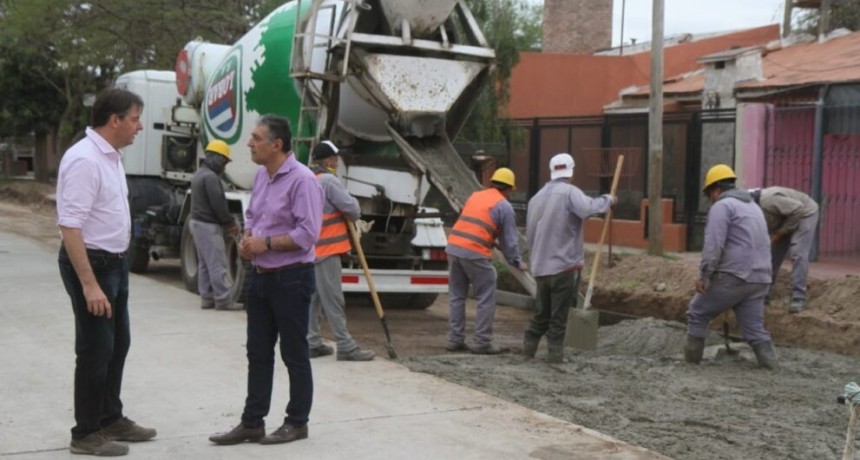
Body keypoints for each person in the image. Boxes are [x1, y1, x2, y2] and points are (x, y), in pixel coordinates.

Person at [209, 115, 323, 446]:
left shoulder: (303, 180)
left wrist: (267, 244)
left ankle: (297, 422)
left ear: (277, 144)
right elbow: (254, 216)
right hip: (260, 276)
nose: (249, 143)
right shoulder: (262, 175)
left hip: (292, 277)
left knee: (294, 353)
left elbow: (307, 234)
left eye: (256, 138)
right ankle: (252, 422)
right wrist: (248, 239)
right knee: (258, 352)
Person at [57, 87, 157, 456]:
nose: (139, 126)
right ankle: (84, 433)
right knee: (96, 350)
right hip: (93, 266)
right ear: (114, 120)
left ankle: (110, 417)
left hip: (114, 263)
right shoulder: (84, 159)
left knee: (117, 345)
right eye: (134, 119)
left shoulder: (110, 156)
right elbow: (70, 226)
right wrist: (89, 285)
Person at [523, 153, 614, 364]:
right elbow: (589, 208)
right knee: (559, 318)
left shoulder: (536, 198)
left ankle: (528, 350)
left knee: (541, 314)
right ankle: (555, 356)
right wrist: (608, 200)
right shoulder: (569, 193)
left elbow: (530, 234)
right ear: (571, 172)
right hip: (563, 267)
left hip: (541, 269)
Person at [685, 164, 778, 369]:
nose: (710, 199)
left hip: (735, 275)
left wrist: (704, 275)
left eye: (709, 195)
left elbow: (713, 245)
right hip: (760, 278)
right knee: (754, 329)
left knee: (697, 312)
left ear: (715, 190)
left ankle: (690, 364)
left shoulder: (722, 206)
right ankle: (771, 365)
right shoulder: (754, 207)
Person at [445, 167, 527, 355]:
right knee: (486, 292)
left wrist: (493, 242)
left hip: (454, 246)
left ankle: (455, 339)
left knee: (457, 295)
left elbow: (476, 224)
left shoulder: (476, 196)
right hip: (473, 251)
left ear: (492, 184)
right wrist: (516, 261)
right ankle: (482, 342)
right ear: (508, 189)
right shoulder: (503, 205)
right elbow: (511, 241)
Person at [306, 140, 376, 361]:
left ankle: (312, 342)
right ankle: (345, 346)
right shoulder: (328, 180)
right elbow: (352, 209)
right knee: (333, 300)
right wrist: (353, 204)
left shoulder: (309, 179)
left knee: (314, 299)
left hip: (312, 251)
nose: (337, 162)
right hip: (328, 250)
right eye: (335, 158)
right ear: (327, 160)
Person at [189, 140, 241, 311]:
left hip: (196, 224)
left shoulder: (199, 174)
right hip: (208, 226)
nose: (224, 166)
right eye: (224, 161)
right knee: (217, 263)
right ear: (216, 158)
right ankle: (223, 300)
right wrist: (230, 222)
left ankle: (207, 298)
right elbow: (219, 204)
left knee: (204, 263)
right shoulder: (210, 177)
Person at [749, 186, 819, 313]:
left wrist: (782, 232)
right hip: (786, 217)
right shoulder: (750, 210)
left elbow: (798, 209)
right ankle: (765, 291)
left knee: (798, 252)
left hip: (805, 213)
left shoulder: (769, 200)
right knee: (773, 254)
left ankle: (799, 296)